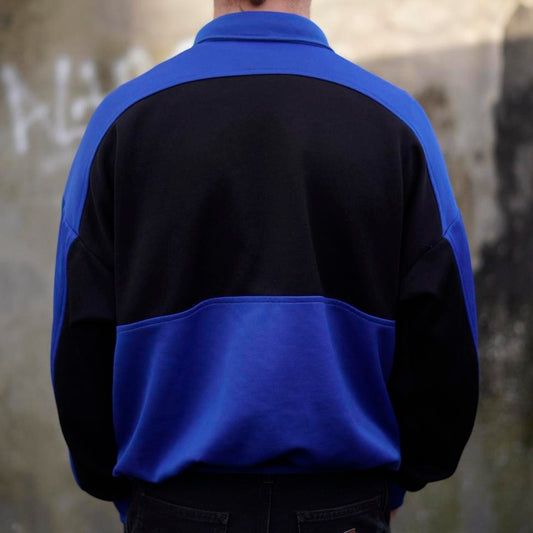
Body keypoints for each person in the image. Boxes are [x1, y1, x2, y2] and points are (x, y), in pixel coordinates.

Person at [49, 0, 480, 531]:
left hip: (173, 507)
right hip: (342, 505)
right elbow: (445, 345)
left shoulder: (122, 120)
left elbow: (79, 342)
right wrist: (394, 482)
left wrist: (120, 487)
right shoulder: (397, 122)